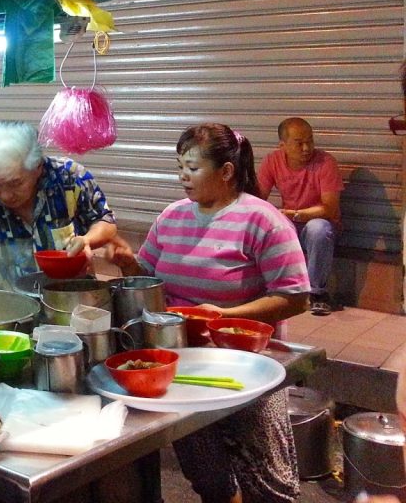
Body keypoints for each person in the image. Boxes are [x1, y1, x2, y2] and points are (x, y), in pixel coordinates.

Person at [106, 123, 310, 503]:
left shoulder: (262, 220)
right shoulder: (172, 217)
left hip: (249, 368)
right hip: (182, 365)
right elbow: (148, 279)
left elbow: (295, 297)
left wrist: (225, 314)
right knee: (208, 476)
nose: (183, 176)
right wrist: (127, 265)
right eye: (179, 166)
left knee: (270, 485)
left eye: (193, 168)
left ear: (227, 171)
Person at [0, 121, 117, 289]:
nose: (6, 195)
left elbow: (104, 220)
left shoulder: (68, 177)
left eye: (15, 183)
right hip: (9, 309)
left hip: (72, 298)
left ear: (38, 167)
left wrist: (87, 240)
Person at [257, 117, 343, 316]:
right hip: (291, 222)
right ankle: (272, 288)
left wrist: (295, 214)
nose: (306, 148)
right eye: (299, 143)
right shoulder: (272, 161)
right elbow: (258, 200)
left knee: (318, 229)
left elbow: (329, 208)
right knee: (266, 227)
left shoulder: (325, 162)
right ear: (283, 146)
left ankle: (317, 294)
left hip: (320, 224)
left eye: (310, 141)